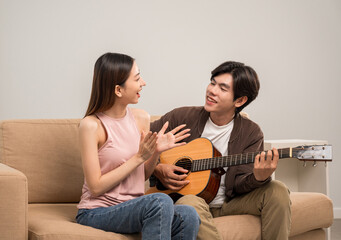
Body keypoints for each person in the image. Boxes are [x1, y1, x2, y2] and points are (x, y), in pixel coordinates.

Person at [150, 61, 291, 240]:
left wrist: (258, 178)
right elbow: (137, 140)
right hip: (194, 201)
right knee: (188, 203)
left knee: (278, 190)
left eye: (223, 88)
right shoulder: (182, 117)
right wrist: (157, 167)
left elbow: (240, 186)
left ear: (240, 100)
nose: (212, 91)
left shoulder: (251, 133)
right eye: (212, 83)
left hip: (232, 202)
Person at [76, 52, 200, 240]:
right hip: (96, 212)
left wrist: (155, 152)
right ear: (118, 90)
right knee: (159, 202)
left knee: (188, 216)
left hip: (134, 208)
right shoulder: (91, 126)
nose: (143, 82)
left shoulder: (141, 118)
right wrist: (139, 157)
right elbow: (96, 187)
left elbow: (141, 176)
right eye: (137, 78)